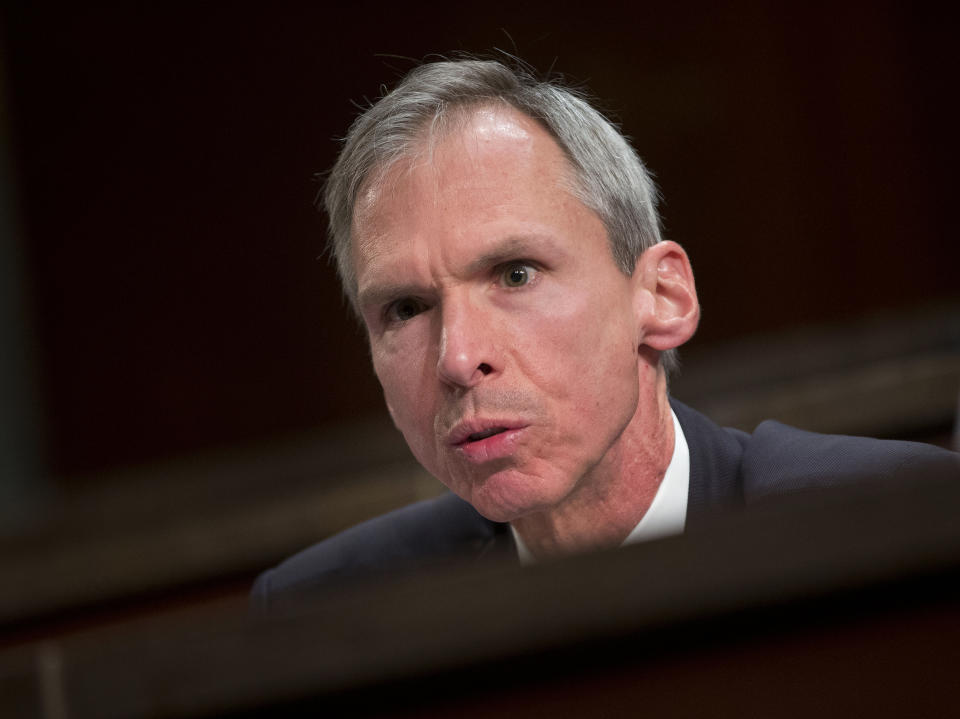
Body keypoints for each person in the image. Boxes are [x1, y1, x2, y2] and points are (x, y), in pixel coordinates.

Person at [252, 59, 957, 608]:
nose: (459, 358)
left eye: (516, 273)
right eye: (406, 308)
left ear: (661, 296)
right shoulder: (328, 608)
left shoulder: (895, 520)